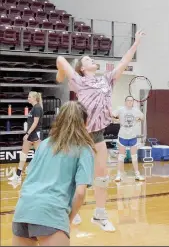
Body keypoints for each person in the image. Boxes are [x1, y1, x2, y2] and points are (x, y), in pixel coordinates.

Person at [56, 30, 145, 232]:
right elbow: (60, 58)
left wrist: (136, 43)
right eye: (87, 59)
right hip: (78, 133)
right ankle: (71, 210)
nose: (92, 59)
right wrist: (60, 75)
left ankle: (100, 215)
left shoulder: (107, 79)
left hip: (97, 134)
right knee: (71, 174)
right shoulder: (78, 80)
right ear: (81, 68)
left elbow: (123, 61)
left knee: (102, 176)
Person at [12, 101, 95, 246]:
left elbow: (29, 175)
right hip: (51, 213)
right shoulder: (83, 148)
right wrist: (67, 221)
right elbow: (80, 193)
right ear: (84, 122)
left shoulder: (44, 144)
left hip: (23, 210)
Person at [9, 91, 43, 183]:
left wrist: (27, 134)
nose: (28, 98)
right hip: (30, 134)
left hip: (36, 134)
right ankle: (18, 175)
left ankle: (40, 176)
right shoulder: (33, 108)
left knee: (39, 156)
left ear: (35, 98)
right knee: (23, 155)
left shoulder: (37, 108)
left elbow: (35, 123)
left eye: (29, 97)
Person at [112, 96, 145, 182]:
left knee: (134, 157)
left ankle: (137, 175)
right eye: (128, 100)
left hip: (133, 136)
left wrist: (138, 120)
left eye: (131, 100)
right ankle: (118, 175)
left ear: (133, 102)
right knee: (121, 157)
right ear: (125, 102)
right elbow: (112, 115)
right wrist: (117, 120)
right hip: (123, 136)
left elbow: (142, 117)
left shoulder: (136, 110)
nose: (130, 102)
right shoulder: (121, 109)